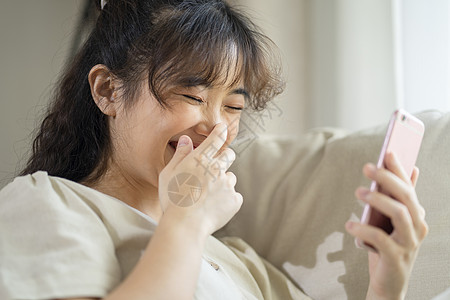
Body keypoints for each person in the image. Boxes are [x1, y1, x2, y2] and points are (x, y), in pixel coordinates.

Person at [0, 0, 428, 299]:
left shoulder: (237, 260)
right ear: (108, 90)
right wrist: (186, 218)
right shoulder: (47, 203)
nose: (217, 125)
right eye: (192, 96)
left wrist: (385, 288)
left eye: (234, 106)